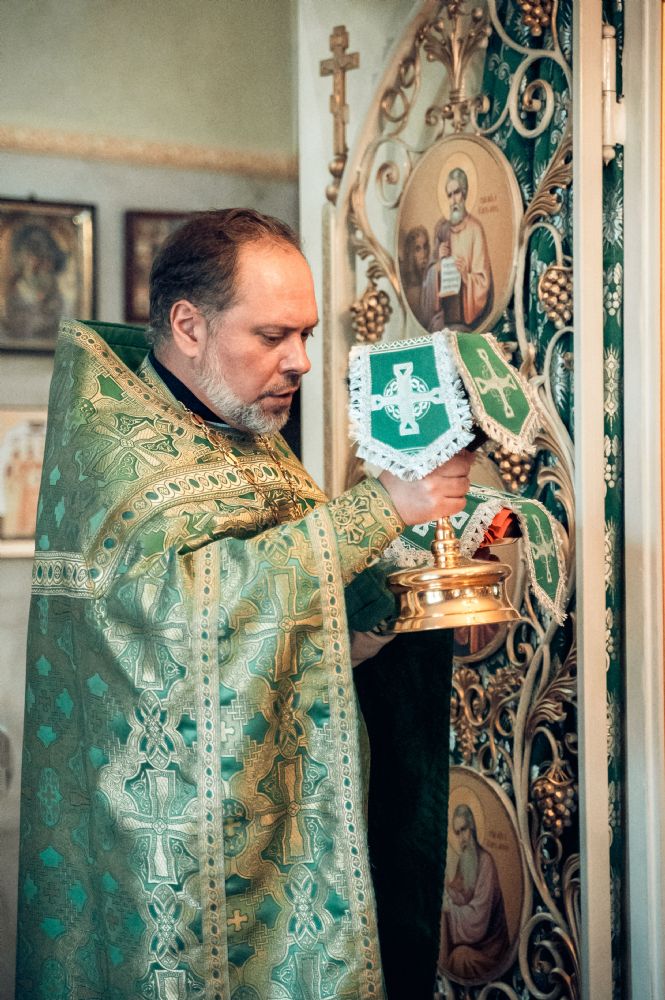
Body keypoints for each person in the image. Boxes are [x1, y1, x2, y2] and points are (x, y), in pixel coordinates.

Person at [16, 208, 473, 1000]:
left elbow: (294, 602)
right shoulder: (116, 455)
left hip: (295, 840)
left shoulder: (245, 436)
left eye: (306, 334)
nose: (300, 361)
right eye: (272, 336)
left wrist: (395, 598)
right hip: (178, 877)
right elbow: (182, 625)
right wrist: (379, 509)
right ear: (188, 326)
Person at [439, 803, 510, 982]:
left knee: (459, 958)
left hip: (490, 949)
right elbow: (462, 894)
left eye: (464, 830)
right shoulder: (466, 861)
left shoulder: (486, 862)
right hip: (472, 944)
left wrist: (450, 908)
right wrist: (447, 892)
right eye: (457, 833)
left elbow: (478, 917)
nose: (461, 838)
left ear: (473, 828)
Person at [420, 168, 494, 332]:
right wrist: (438, 265)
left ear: (465, 193)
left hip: (467, 319)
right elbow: (428, 280)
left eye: (457, 193)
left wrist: (465, 276)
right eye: (449, 195)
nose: (453, 200)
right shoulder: (442, 229)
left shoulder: (475, 229)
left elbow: (483, 282)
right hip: (444, 318)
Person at [400, 225, 430, 328]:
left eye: (425, 247)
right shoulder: (410, 286)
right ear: (411, 253)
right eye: (418, 249)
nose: (423, 254)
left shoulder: (430, 271)